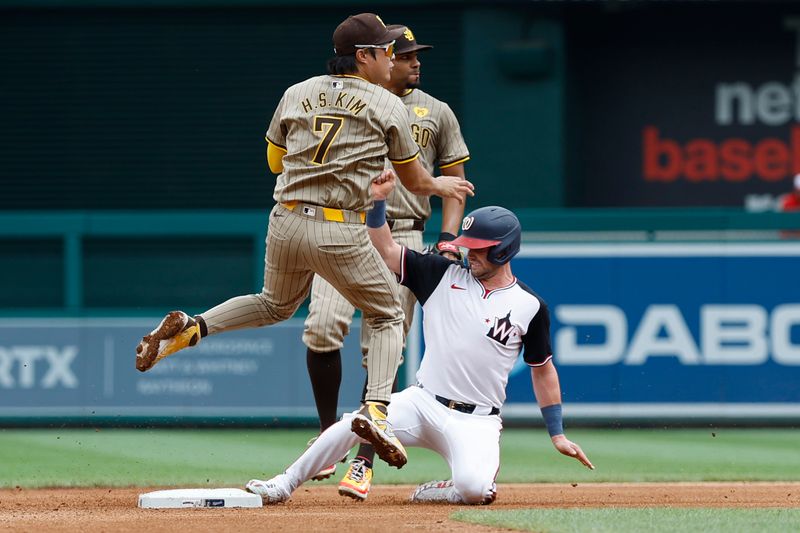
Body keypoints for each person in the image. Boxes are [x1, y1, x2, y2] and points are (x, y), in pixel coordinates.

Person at [133, 13, 474, 470]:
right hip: (341, 228)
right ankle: (375, 410)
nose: (391, 62)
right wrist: (441, 188)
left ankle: (195, 327)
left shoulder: (296, 92)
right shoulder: (387, 104)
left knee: (274, 304)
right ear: (363, 56)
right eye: (386, 53)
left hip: (286, 220)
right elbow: (412, 178)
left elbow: (275, 161)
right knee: (387, 312)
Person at [245, 172, 593, 506]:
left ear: (503, 251)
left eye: (479, 248)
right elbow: (385, 249)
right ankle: (284, 483)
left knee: (475, 490)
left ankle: (444, 491)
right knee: (356, 421)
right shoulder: (440, 273)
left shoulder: (530, 306)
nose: (469, 252)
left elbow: (542, 369)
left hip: (477, 419)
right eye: (467, 246)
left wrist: (557, 432)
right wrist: (378, 203)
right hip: (422, 402)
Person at [300, 24, 471, 500]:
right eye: (406, 54)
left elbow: (455, 180)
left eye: (418, 55)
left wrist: (447, 239)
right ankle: (326, 434)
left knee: (385, 347)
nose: (416, 62)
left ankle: (363, 459)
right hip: (345, 225)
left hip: (401, 233)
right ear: (379, 58)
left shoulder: (436, 112)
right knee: (321, 328)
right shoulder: (347, 101)